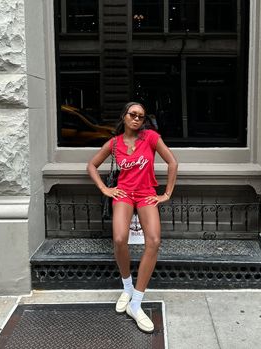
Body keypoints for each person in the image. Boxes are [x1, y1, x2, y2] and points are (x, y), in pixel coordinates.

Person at [87, 102, 178, 333]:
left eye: (141, 116)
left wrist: (166, 193)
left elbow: (172, 162)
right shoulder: (114, 143)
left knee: (154, 241)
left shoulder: (150, 137)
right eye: (133, 115)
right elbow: (92, 165)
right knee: (119, 239)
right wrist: (105, 189)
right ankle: (127, 286)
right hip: (124, 194)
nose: (137, 119)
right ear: (124, 116)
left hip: (147, 193)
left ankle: (136, 302)